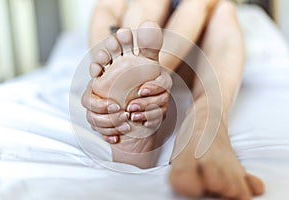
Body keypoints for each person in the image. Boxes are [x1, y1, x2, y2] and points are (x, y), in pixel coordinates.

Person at [81, 0, 265, 199]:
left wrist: (151, 71)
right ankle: (126, 68)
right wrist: (104, 62)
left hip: (195, 56)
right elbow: (105, 9)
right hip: (148, 43)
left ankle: (203, 119)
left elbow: (197, 7)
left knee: (224, 10)